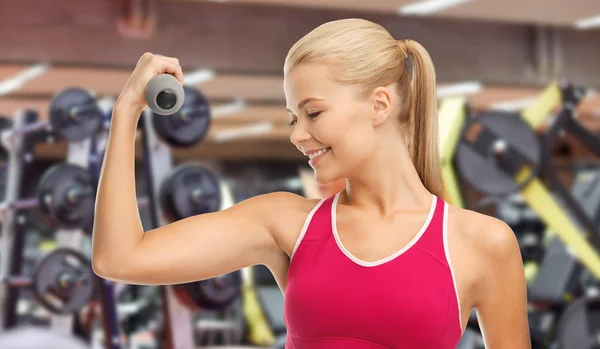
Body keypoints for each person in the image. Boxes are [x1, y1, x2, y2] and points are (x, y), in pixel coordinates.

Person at [92, 18, 530, 348]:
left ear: (379, 105)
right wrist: (125, 113)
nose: (297, 134)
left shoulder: (481, 243)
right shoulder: (285, 224)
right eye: (292, 118)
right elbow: (120, 258)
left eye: (313, 113)